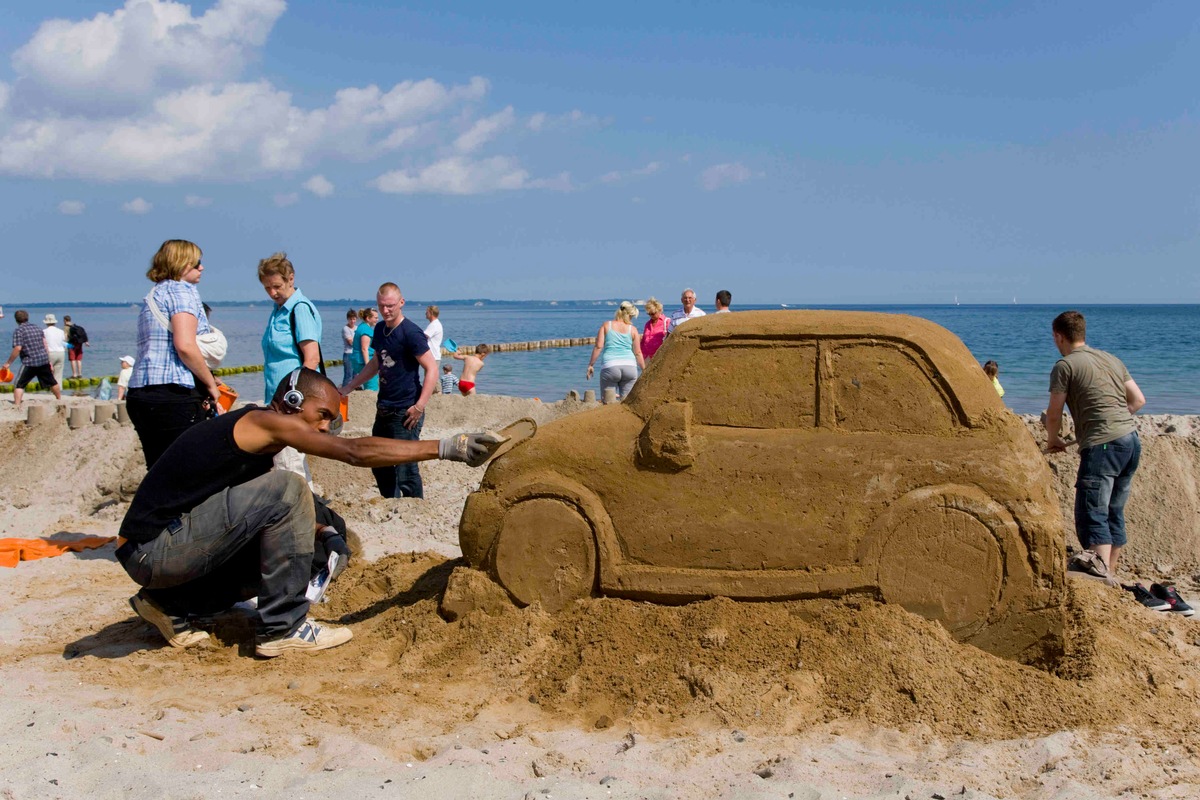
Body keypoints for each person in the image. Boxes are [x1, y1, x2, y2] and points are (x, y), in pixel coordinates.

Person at [117, 367, 503, 657]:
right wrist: (447, 447)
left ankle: (169, 604)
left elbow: (247, 515)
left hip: (166, 549)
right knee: (289, 487)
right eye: (322, 415)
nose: (325, 427)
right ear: (293, 402)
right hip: (151, 549)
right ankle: (281, 629)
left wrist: (320, 534)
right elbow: (355, 452)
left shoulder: (255, 446)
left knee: (319, 533)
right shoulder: (260, 422)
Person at [1044, 310, 1145, 587]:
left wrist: (1053, 440)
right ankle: (1111, 571)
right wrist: (1115, 418)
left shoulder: (1065, 365)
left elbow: (1054, 413)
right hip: (1130, 441)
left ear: (1058, 336)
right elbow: (1138, 400)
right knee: (1114, 510)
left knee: (1092, 510)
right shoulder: (1111, 359)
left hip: (1103, 445)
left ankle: (1099, 575)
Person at [126, 240, 221, 468]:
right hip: (172, 395)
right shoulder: (182, 291)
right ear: (182, 264)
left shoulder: (153, 295)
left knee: (158, 471)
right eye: (197, 263)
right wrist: (210, 385)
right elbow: (185, 346)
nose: (202, 268)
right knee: (188, 470)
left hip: (140, 393)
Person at [341, 283, 437, 499]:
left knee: (406, 467)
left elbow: (432, 369)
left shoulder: (411, 332)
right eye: (382, 306)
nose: (386, 311)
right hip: (384, 406)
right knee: (378, 461)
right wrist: (350, 386)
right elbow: (376, 362)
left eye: (391, 306)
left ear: (401, 303)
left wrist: (420, 406)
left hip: (406, 410)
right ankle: (391, 501)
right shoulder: (380, 330)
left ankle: (415, 509)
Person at [259, 252, 323, 403]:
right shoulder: (278, 310)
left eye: (277, 286)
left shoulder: (299, 308)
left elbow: (312, 359)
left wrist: (293, 395)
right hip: (275, 396)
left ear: (291, 279)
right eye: (267, 288)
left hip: (294, 399)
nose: (272, 293)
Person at [2, 309, 62, 409]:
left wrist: (8, 363)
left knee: (19, 384)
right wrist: (49, 361)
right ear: (27, 317)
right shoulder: (37, 327)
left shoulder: (19, 330)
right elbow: (45, 345)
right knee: (52, 381)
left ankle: (17, 405)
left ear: (16, 320)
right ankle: (59, 399)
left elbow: (18, 348)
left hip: (29, 362)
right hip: (43, 360)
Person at [586, 301, 645, 402]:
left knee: (608, 400)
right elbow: (638, 353)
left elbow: (598, 347)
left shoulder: (606, 325)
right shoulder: (633, 329)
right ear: (628, 315)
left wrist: (591, 365)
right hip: (630, 367)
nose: (631, 319)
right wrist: (644, 369)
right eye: (631, 317)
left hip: (610, 366)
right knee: (627, 402)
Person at [350, 308, 379, 391]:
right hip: (364, 361)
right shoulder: (365, 330)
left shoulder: (362, 326)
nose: (377, 320)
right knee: (372, 386)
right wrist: (369, 366)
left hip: (360, 361)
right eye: (375, 318)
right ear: (368, 318)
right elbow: (364, 349)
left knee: (371, 383)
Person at [43, 314, 67, 386]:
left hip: (50, 352)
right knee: (58, 374)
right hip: (61, 352)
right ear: (55, 322)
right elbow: (63, 341)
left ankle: (51, 389)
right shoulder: (60, 331)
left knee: (48, 372)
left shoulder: (44, 331)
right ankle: (58, 390)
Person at [424, 306, 444, 390]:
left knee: (431, 377)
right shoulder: (435, 324)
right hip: (433, 355)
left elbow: (423, 336)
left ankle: (438, 393)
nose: (425, 313)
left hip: (433, 355)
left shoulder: (434, 325)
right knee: (431, 376)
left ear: (431, 313)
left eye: (427, 312)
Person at [64, 315, 89, 379]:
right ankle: (80, 374)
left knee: (72, 359)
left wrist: (64, 345)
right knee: (79, 359)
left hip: (71, 344)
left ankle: (74, 374)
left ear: (65, 320)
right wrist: (86, 341)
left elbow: (65, 337)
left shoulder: (66, 327)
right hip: (79, 343)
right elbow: (83, 334)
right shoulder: (75, 326)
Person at [340, 308, 357, 387]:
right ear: (348, 319)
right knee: (348, 375)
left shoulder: (357, 328)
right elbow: (351, 342)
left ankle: (354, 390)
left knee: (356, 374)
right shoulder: (346, 329)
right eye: (350, 319)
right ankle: (344, 390)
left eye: (354, 319)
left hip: (356, 353)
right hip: (348, 353)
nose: (352, 321)